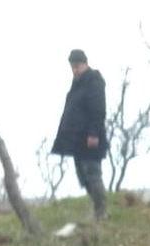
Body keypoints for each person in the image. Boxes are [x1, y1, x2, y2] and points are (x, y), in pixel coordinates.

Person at [52, 49, 108, 221]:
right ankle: (97, 209)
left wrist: (93, 134)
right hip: (77, 140)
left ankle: (102, 212)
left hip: (90, 138)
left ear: (85, 63)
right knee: (83, 177)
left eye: (77, 66)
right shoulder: (77, 84)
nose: (75, 70)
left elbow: (98, 110)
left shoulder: (94, 81)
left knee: (92, 173)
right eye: (72, 67)